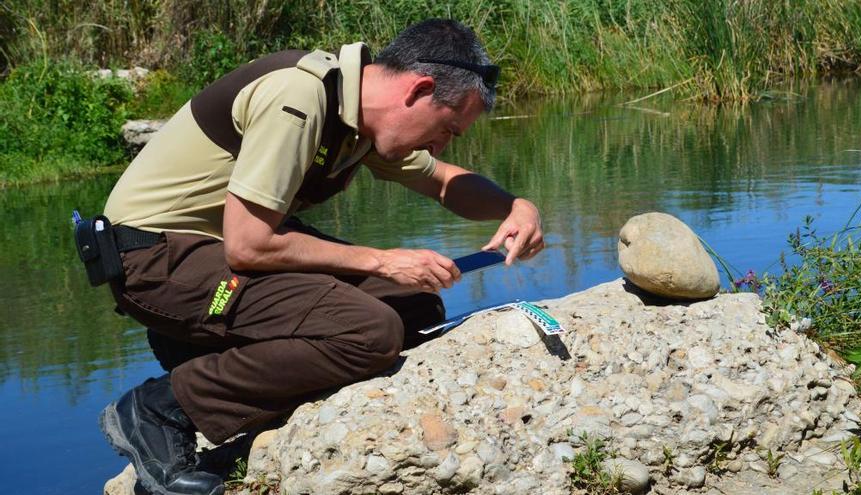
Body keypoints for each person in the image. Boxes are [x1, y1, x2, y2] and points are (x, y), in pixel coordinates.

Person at [98, 19, 543, 495]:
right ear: (420, 89)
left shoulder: (360, 115)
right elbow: (248, 244)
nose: (442, 144)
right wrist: (381, 259)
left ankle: (214, 355)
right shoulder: (301, 97)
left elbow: (443, 182)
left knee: (412, 305)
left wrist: (516, 206)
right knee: (370, 332)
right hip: (157, 257)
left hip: (213, 248)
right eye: (448, 128)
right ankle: (159, 409)